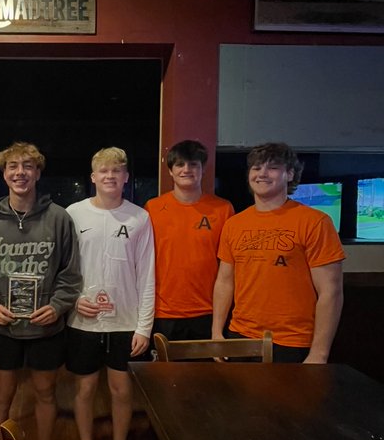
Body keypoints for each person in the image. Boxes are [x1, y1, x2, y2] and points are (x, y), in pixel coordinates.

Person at [0, 141, 81, 440]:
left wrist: (57, 306)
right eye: (12, 166)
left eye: (27, 166)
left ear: (38, 173)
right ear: (3, 173)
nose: (20, 172)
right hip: (2, 328)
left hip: (46, 326)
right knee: (0, 398)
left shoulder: (59, 218)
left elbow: (70, 273)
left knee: (45, 394)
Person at [65, 147, 154, 440]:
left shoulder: (139, 218)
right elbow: (63, 268)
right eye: (103, 171)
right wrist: (74, 300)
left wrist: (144, 327)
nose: (110, 176)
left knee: (121, 391)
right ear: (93, 177)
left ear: (126, 177)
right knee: (85, 390)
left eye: (116, 171)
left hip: (124, 322)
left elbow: (147, 274)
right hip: (83, 321)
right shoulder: (73, 214)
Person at [212, 142, 345, 363]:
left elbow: (331, 291)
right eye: (256, 168)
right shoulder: (234, 224)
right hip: (240, 337)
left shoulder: (315, 222)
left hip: (292, 342)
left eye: (272, 168)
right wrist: (217, 333)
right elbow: (225, 282)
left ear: (290, 174)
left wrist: (319, 353)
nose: (262, 174)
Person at [144, 140, 234, 344]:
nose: (186, 170)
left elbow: (228, 268)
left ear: (202, 169)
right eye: (180, 164)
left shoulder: (223, 209)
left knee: (207, 367)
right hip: (162, 312)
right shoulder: (152, 208)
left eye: (193, 164)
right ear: (170, 171)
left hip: (209, 312)